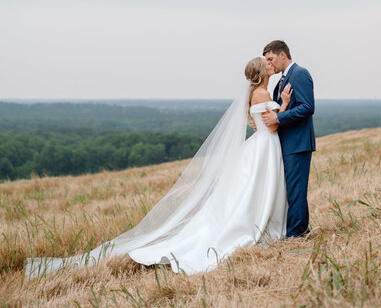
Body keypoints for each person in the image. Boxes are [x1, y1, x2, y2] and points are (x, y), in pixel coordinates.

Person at [26, 57, 292, 279]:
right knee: (258, 188)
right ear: (261, 73)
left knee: (252, 189)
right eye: (266, 63)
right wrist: (286, 105)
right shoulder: (262, 92)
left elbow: (257, 122)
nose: (270, 64)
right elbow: (271, 124)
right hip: (264, 145)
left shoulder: (255, 93)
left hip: (261, 145)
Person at [261, 40, 315, 238]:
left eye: (271, 58)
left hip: (298, 143)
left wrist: (278, 117)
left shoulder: (299, 73)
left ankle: (295, 234)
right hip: (286, 142)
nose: (269, 63)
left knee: (296, 190)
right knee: (293, 190)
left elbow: (307, 107)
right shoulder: (281, 80)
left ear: (282, 55)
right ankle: (301, 229)